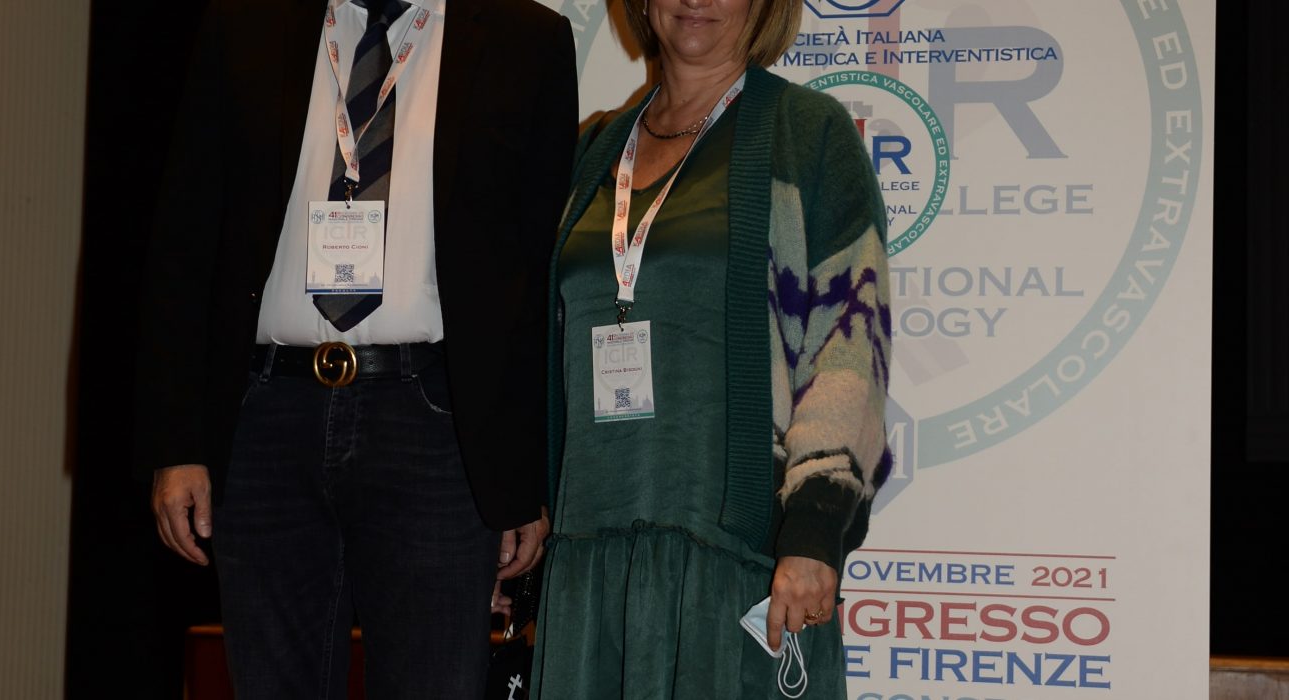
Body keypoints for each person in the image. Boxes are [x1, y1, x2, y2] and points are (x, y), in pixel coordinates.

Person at [133, 0, 577, 696]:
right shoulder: (247, 23)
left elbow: (537, 274)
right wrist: (178, 442)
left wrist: (523, 480)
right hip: (265, 418)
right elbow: (184, 240)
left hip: (437, 427)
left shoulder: (529, 39)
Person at [531, 0, 891, 696]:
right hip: (590, 547)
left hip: (740, 554)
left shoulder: (807, 134)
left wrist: (814, 530)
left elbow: (849, 348)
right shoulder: (592, 149)